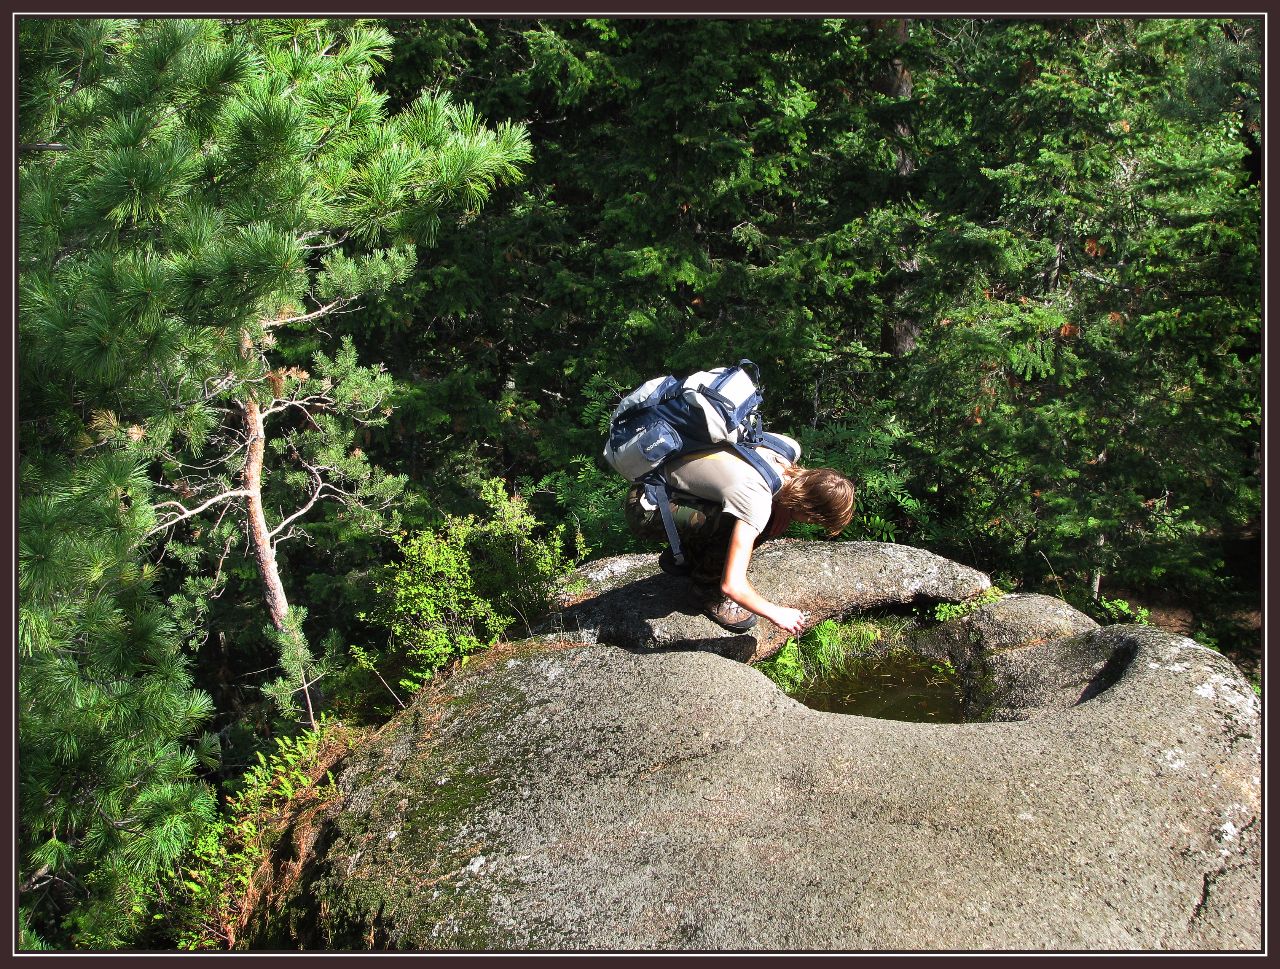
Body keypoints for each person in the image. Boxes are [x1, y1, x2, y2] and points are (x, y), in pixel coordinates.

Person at [624, 432, 856, 635]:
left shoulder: (786, 448)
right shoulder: (757, 501)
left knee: (752, 520)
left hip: (660, 479)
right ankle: (705, 593)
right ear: (808, 509)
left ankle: (687, 557)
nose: (810, 524)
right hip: (648, 506)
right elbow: (732, 585)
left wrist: (782, 509)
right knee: (733, 526)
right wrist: (776, 613)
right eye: (813, 520)